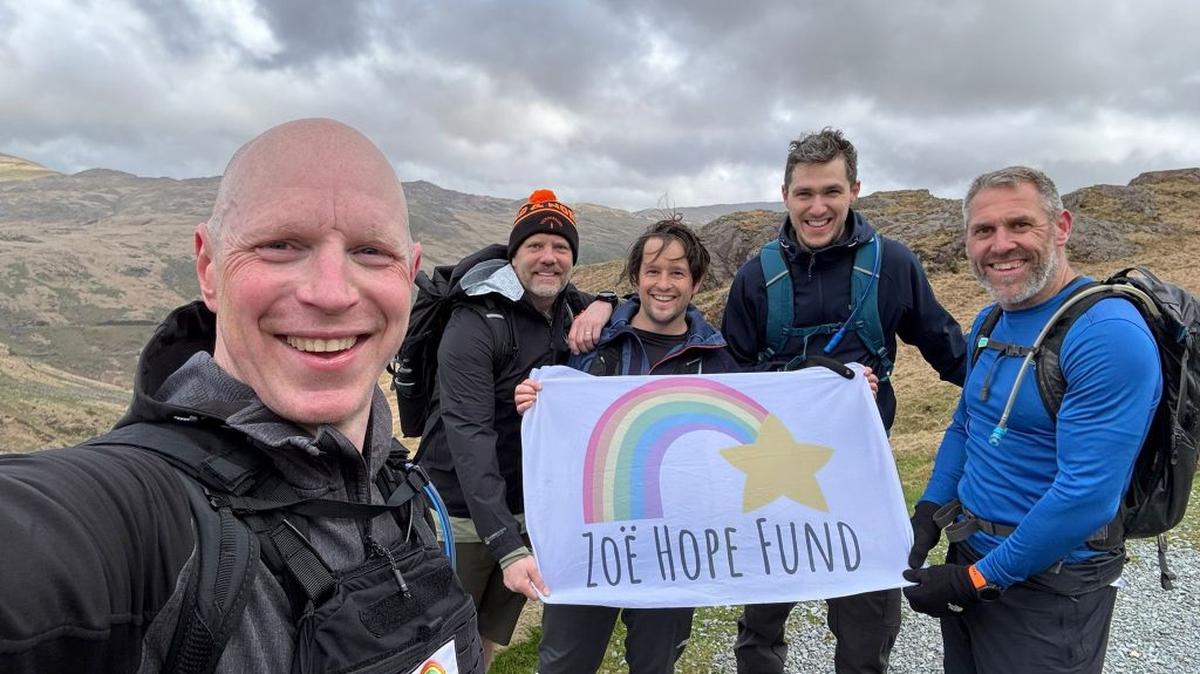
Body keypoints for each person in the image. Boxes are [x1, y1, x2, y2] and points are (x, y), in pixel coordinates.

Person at [0, 119, 483, 672]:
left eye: (372, 251)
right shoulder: (140, 519)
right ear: (208, 267)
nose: (330, 292)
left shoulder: (402, 488)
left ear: (411, 273)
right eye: (280, 245)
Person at [721, 128, 968, 674]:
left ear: (854, 189)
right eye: (804, 193)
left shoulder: (893, 265)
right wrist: (795, 376)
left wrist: (1031, 394)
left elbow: (952, 353)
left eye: (830, 191)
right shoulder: (755, 277)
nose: (817, 207)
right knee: (760, 626)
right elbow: (729, 381)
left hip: (860, 480)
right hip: (771, 482)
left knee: (866, 630)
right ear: (784, 194)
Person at [902, 166, 1161, 673]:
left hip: (1052, 587)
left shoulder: (1107, 335)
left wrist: (978, 581)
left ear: (1061, 227)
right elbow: (966, 424)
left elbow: (1086, 496)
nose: (1001, 245)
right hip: (973, 557)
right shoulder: (990, 319)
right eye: (984, 231)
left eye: (1020, 225)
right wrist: (930, 509)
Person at [514, 217, 741, 673]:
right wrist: (536, 402)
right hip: (591, 543)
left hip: (674, 551)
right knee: (564, 664)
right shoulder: (590, 342)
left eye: (677, 273)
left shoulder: (718, 361)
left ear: (695, 283)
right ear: (636, 277)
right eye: (653, 271)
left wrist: (847, 391)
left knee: (654, 666)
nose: (663, 284)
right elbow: (559, 426)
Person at [417, 189, 613, 667]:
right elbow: (469, 433)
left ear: (573, 259)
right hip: (458, 514)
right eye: (535, 246)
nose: (548, 257)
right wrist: (504, 543)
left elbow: (637, 307)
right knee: (436, 648)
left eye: (561, 248)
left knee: (484, 639)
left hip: (528, 513)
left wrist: (606, 302)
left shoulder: (571, 308)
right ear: (514, 253)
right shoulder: (475, 320)